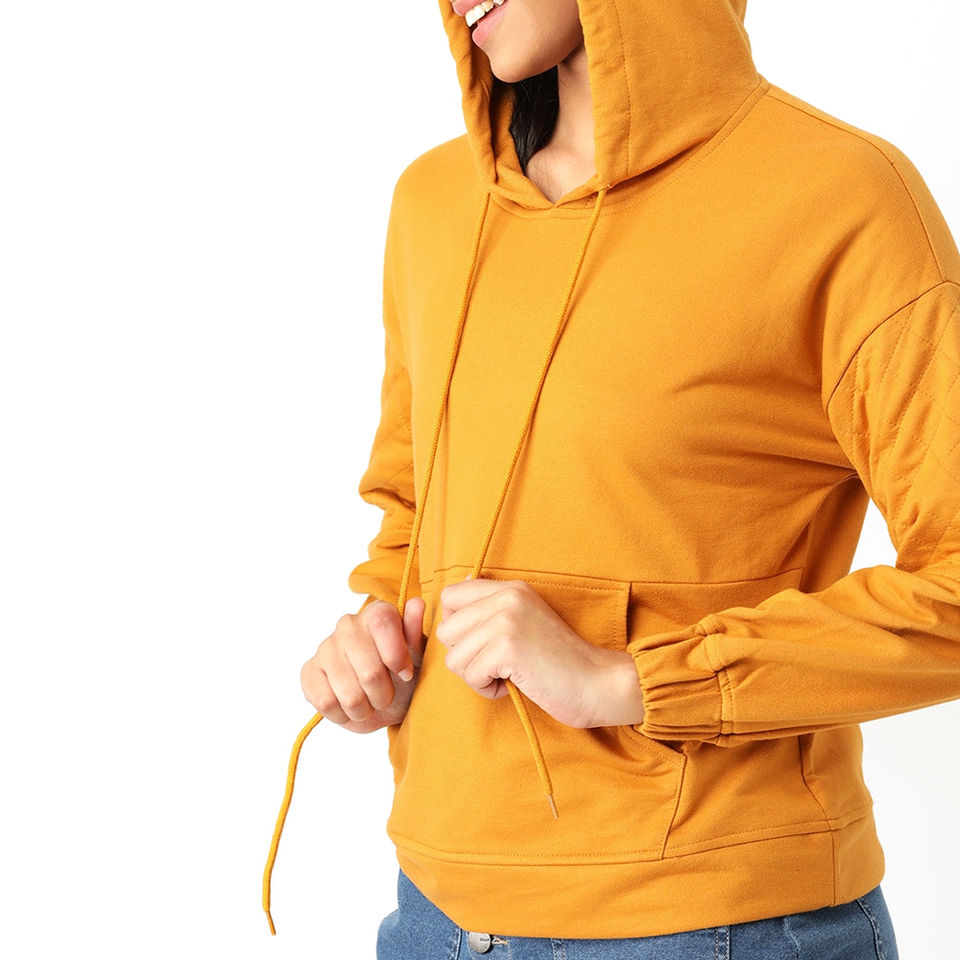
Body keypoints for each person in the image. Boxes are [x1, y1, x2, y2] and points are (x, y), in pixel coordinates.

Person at [264, 0, 960, 956]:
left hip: (715, 920)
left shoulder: (839, 198)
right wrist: (377, 648)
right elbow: (414, 516)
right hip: (435, 910)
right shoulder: (434, 202)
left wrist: (626, 680)